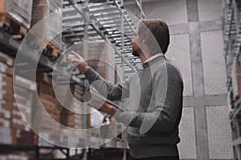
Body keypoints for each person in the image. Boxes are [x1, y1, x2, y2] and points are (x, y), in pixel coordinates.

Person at [71, 19, 183, 160]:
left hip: (158, 155)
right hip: (137, 154)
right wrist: (86, 69)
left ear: (145, 40)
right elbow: (111, 92)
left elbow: (164, 120)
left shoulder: (166, 70)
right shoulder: (140, 75)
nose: (132, 39)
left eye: (136, 35)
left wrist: (115, 112)